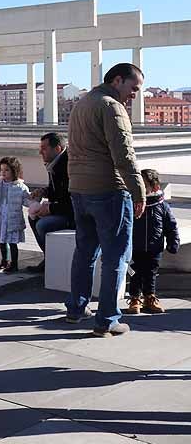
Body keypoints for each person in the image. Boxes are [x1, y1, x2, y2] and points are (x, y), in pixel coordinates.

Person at [66, 62, 146, 337]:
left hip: (79, 189)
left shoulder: (83, 103)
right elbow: (124, 156)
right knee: (116, 257)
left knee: (85, 252)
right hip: (109, 190)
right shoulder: (111, 107)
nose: (134, 95)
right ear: (117, 80)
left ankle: (76, 309)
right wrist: (139, 192)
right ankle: (107, 320)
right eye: (133, 88)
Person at [124, 169, 179, 315]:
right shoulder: (132, 204)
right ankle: (135, 298)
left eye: (144, 185)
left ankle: (150, 297)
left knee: (151, 274)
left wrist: (173, 242)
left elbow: (171, 225)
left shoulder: (161, 206)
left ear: (155, 188)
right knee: (135, 273)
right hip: (135, 248)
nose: (140, 188)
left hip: (154, 248)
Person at [25, 132, 74, 273]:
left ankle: (53, 261)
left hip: (75, 215)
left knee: (42, 225)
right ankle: (49, 258)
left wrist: (51, 209)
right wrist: (44, 192)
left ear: (57, 148)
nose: (40, 152)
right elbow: (59, 191)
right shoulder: (55, 163)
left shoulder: (68, 165)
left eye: (44, 148)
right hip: (65, 209)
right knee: (33, 217)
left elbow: (72, 200)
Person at [0, 157, 31, 273]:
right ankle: (4, 261)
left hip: (13, 217)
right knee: (2, 239)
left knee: (13, 241)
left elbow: (27, 201)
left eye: (7, 170)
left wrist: (35, 200)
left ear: (14, 171)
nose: (3, 173)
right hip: (0, 215)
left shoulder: (20, 187)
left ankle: (14, 264)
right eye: (1, 170)